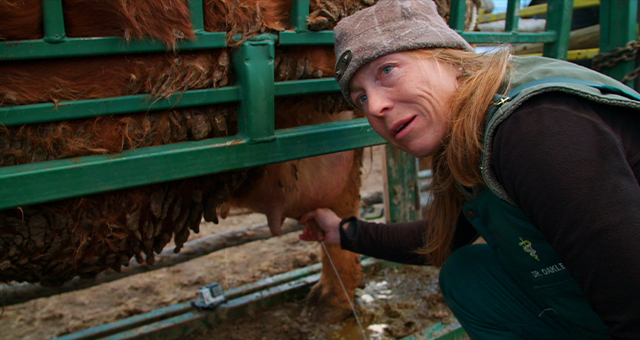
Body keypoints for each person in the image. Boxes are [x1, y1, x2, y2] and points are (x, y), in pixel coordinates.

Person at [297, 0, 640, 339]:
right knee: (467, 276)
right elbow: (445, 238)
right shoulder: (467, 134)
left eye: (387, 70)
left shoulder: (535, 131)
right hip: (598, 301)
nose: (375, 106)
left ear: (449, 58)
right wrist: (343, 232)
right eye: (360, 98)